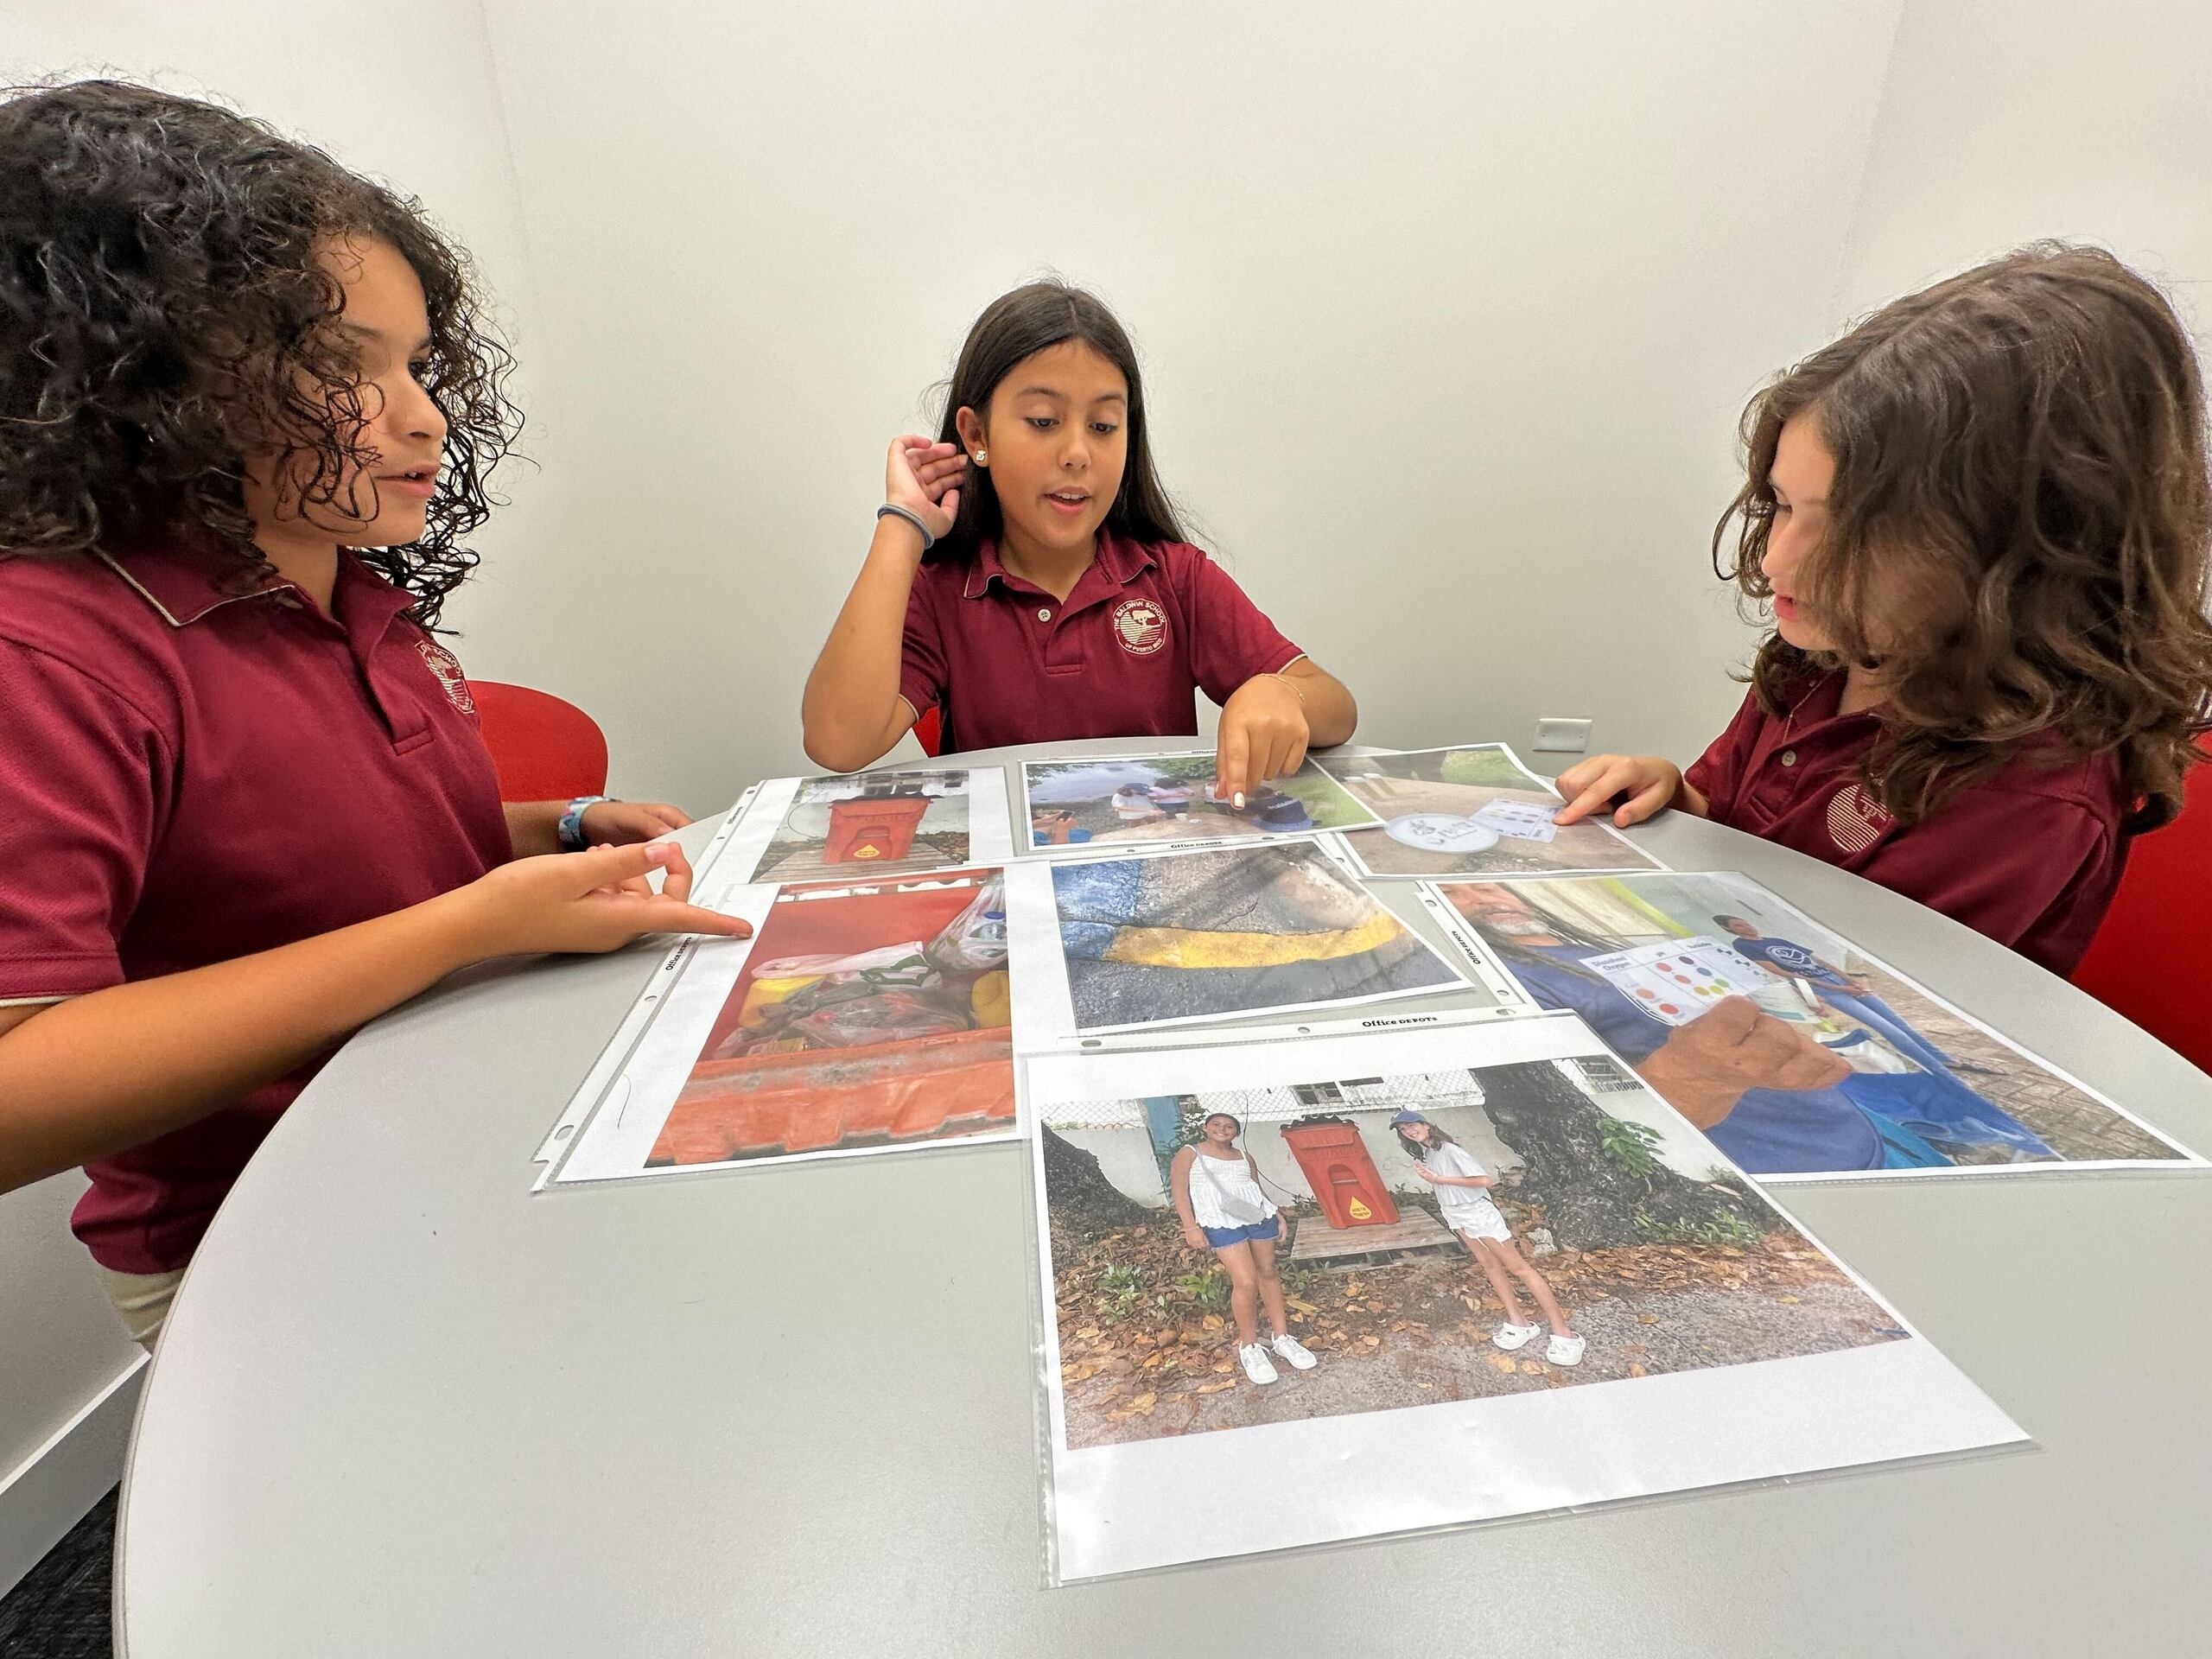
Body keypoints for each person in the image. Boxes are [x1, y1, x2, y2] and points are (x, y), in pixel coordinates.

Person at [0, 83, 747, 1344]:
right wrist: (464, 928)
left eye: (419, 365)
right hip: (264, 1240)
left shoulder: (345, 591)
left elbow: (317, 846)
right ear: (149, 374)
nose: (426, 416)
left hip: (453, 1149)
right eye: (343, 368)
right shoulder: (57, 647)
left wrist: (546, 833)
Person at [1552, 246, 2212, 976]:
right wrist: (1671, 794)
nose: (1774, 560)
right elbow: (1726, 816)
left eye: (1844, 527)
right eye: (1780, 505)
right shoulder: (1828, 654)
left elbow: (1839, 999)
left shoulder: (2031, 796)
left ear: (2019, 554)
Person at [800, 280, 1357, 803]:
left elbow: (1337, 707)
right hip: (1008, 889)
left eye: (1103, 426)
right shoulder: (943, 591)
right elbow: (838, 742)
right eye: (1043, 421)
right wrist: (903, 524)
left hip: (1150, 872)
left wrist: (1287, 695)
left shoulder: (1172, 577)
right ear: (976, 435)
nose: (1077, 453)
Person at [1443, 886, 1960, 1174]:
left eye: (1484, 885)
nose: (1481, 897)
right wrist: (1693, 1080)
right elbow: (1580, 1124)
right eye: (1455, 896)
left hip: (1852, 1120)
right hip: (1798, 1168)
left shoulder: (1596, 949)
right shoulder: (1513, 982)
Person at [1391, 1110, 1582, 1367]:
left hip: (1478, 1213)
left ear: (1425, 1125)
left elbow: (1484, 1180)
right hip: (1455, 1214)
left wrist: (1439, 1179)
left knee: (1519, 1268)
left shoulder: (1449, 1149)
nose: (1409, 1131)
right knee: (1490, 1265)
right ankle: (1519, 1322)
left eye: (1412, 1125)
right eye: (1403, 1129)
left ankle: (1565, 1334)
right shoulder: (1429, 1153)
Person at [1170, 1113, 1319, 1385]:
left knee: (1268, 1272)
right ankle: (1249, 1346)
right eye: (1215, 1124)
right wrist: (1190, 1227)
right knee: (1247, 1282)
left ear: (1235, 1133)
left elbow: (1255, 1189)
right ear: (1206, 1128)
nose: (1221, 1129)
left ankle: (1281, 1338)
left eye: (1229, 1126)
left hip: (1258, 1218)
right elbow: (1179, 1190)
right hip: (1220, 1222)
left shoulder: (1243, 1157)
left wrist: (1276, 1214)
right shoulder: (1190, 1153)